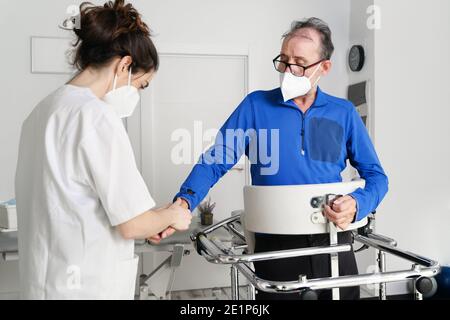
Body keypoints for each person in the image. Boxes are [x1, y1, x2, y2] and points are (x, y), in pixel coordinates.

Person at [168, 17, 389, 300]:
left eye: (299, 62)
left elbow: (377, 177)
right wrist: (184, 202)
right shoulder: (255, 105)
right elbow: (217, 158)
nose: (288, 70)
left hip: (333, 240)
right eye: (283, 60)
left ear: (324, 67)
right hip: (275, 247)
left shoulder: (343, 113)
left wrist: (358, 203)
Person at [15, 0, 191, 300]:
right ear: (124, 65)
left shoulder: (40, 113)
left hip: (43, 285)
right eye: (141, 85)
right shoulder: (97, 117)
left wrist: (155, 216)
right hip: (85, 287)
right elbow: (131, 224)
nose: (137, 95)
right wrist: (175, 215)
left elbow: (76, 200)